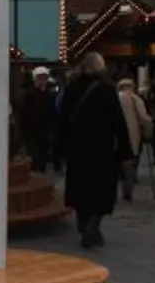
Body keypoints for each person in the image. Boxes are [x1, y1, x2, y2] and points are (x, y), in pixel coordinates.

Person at [56, 53, 134, 249]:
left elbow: (62, 121)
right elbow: (118, 122)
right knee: (102, 190)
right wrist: (126, 151)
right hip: (101, 149)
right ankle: (93, 225)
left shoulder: (71, 89)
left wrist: (59, 149)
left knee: (81, 188)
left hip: (76, 149)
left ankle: (84, 225)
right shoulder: (106, 90)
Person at [116, 78, 153, 201]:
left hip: (114, 136)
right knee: (129, 163)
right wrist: (148, 132)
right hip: (132, 135)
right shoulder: (134, 99)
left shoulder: (114, 98)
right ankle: (128, 190)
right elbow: (144, 118)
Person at [19, 66, 57, 173]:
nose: (43, 80)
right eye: (40, 77)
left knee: (43, 159)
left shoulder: (49, 95)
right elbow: (25, 114)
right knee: (35, 159)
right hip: (32, 131)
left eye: (45, 78)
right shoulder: (29, 95)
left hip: (45, 132)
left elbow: (52, 114)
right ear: (35, 79)